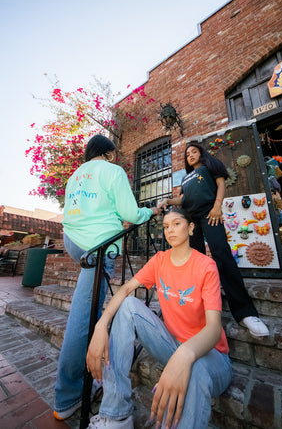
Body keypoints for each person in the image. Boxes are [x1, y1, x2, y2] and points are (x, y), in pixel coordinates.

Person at [85, 208, 232, 429]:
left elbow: (213, 329)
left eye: (176, 224)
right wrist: (101, 325)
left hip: (211, 356)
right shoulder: (160, 260)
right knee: (128, 307)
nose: (169, 230)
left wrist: (186, 354)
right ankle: (116, 416)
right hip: (172, 346)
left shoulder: (206, 266)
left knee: (196, 368)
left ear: (191, 228)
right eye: (165, 226)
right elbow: (126, 289)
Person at [54, 134, 161, 421]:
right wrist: (150, 211)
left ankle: (77, 383)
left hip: (74, 240)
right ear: (110, 153)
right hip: (97, 245)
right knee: (84, 317)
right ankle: (67, 395)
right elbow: (129, 213)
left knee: (88, 303)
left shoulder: (76, 175)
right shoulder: (112, 171)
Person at [159, 142, 269, 337]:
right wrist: (168, 200)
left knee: (221, 253)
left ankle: (245, 313)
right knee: (194, 260)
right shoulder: (186, 178)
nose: (190, 155)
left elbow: (221, 184)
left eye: (194, 151)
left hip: (210, 214)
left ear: (201, 153)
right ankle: (196, 311)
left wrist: (217, 206)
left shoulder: (209, 167)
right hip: (190, 220)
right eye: (187, 154)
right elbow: (182, 200)